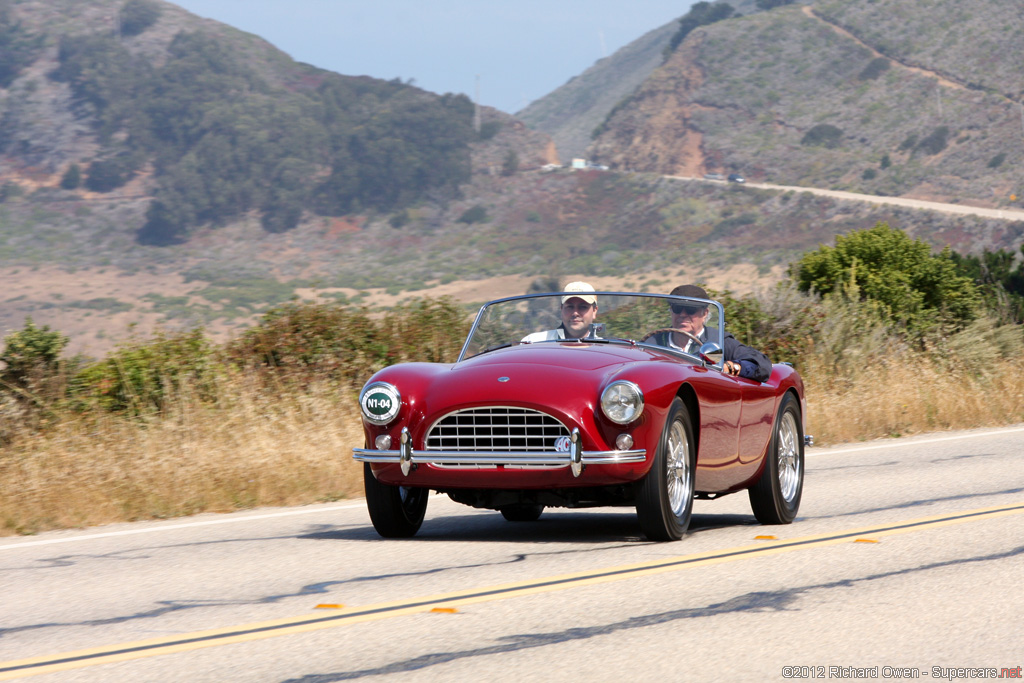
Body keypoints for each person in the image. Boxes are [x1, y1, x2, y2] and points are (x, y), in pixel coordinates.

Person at [654, 284, 772, 382]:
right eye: (677, 309)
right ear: (671, 311)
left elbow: (761, 364)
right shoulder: (653, 341)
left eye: (691, 310)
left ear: (705, 313)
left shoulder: (718, 340)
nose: (683, 315)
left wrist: (731, 367)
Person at [522, 281, 600, 342]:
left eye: (583, 307)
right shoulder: (533, 341)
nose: (575, 313)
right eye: (570, 307)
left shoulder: (605, 348)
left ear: (594, 311)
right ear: (561, 309)